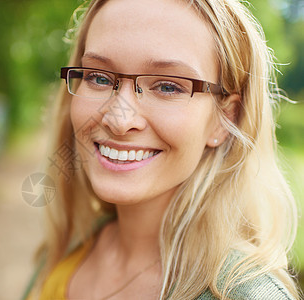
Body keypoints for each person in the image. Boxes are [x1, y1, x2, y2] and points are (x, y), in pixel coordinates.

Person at [22, 0, 300, 299]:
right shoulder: (64, 254)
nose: (120, 120)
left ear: (225, 118)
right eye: (98, 78)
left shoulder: (248, 294)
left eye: (168, 86)